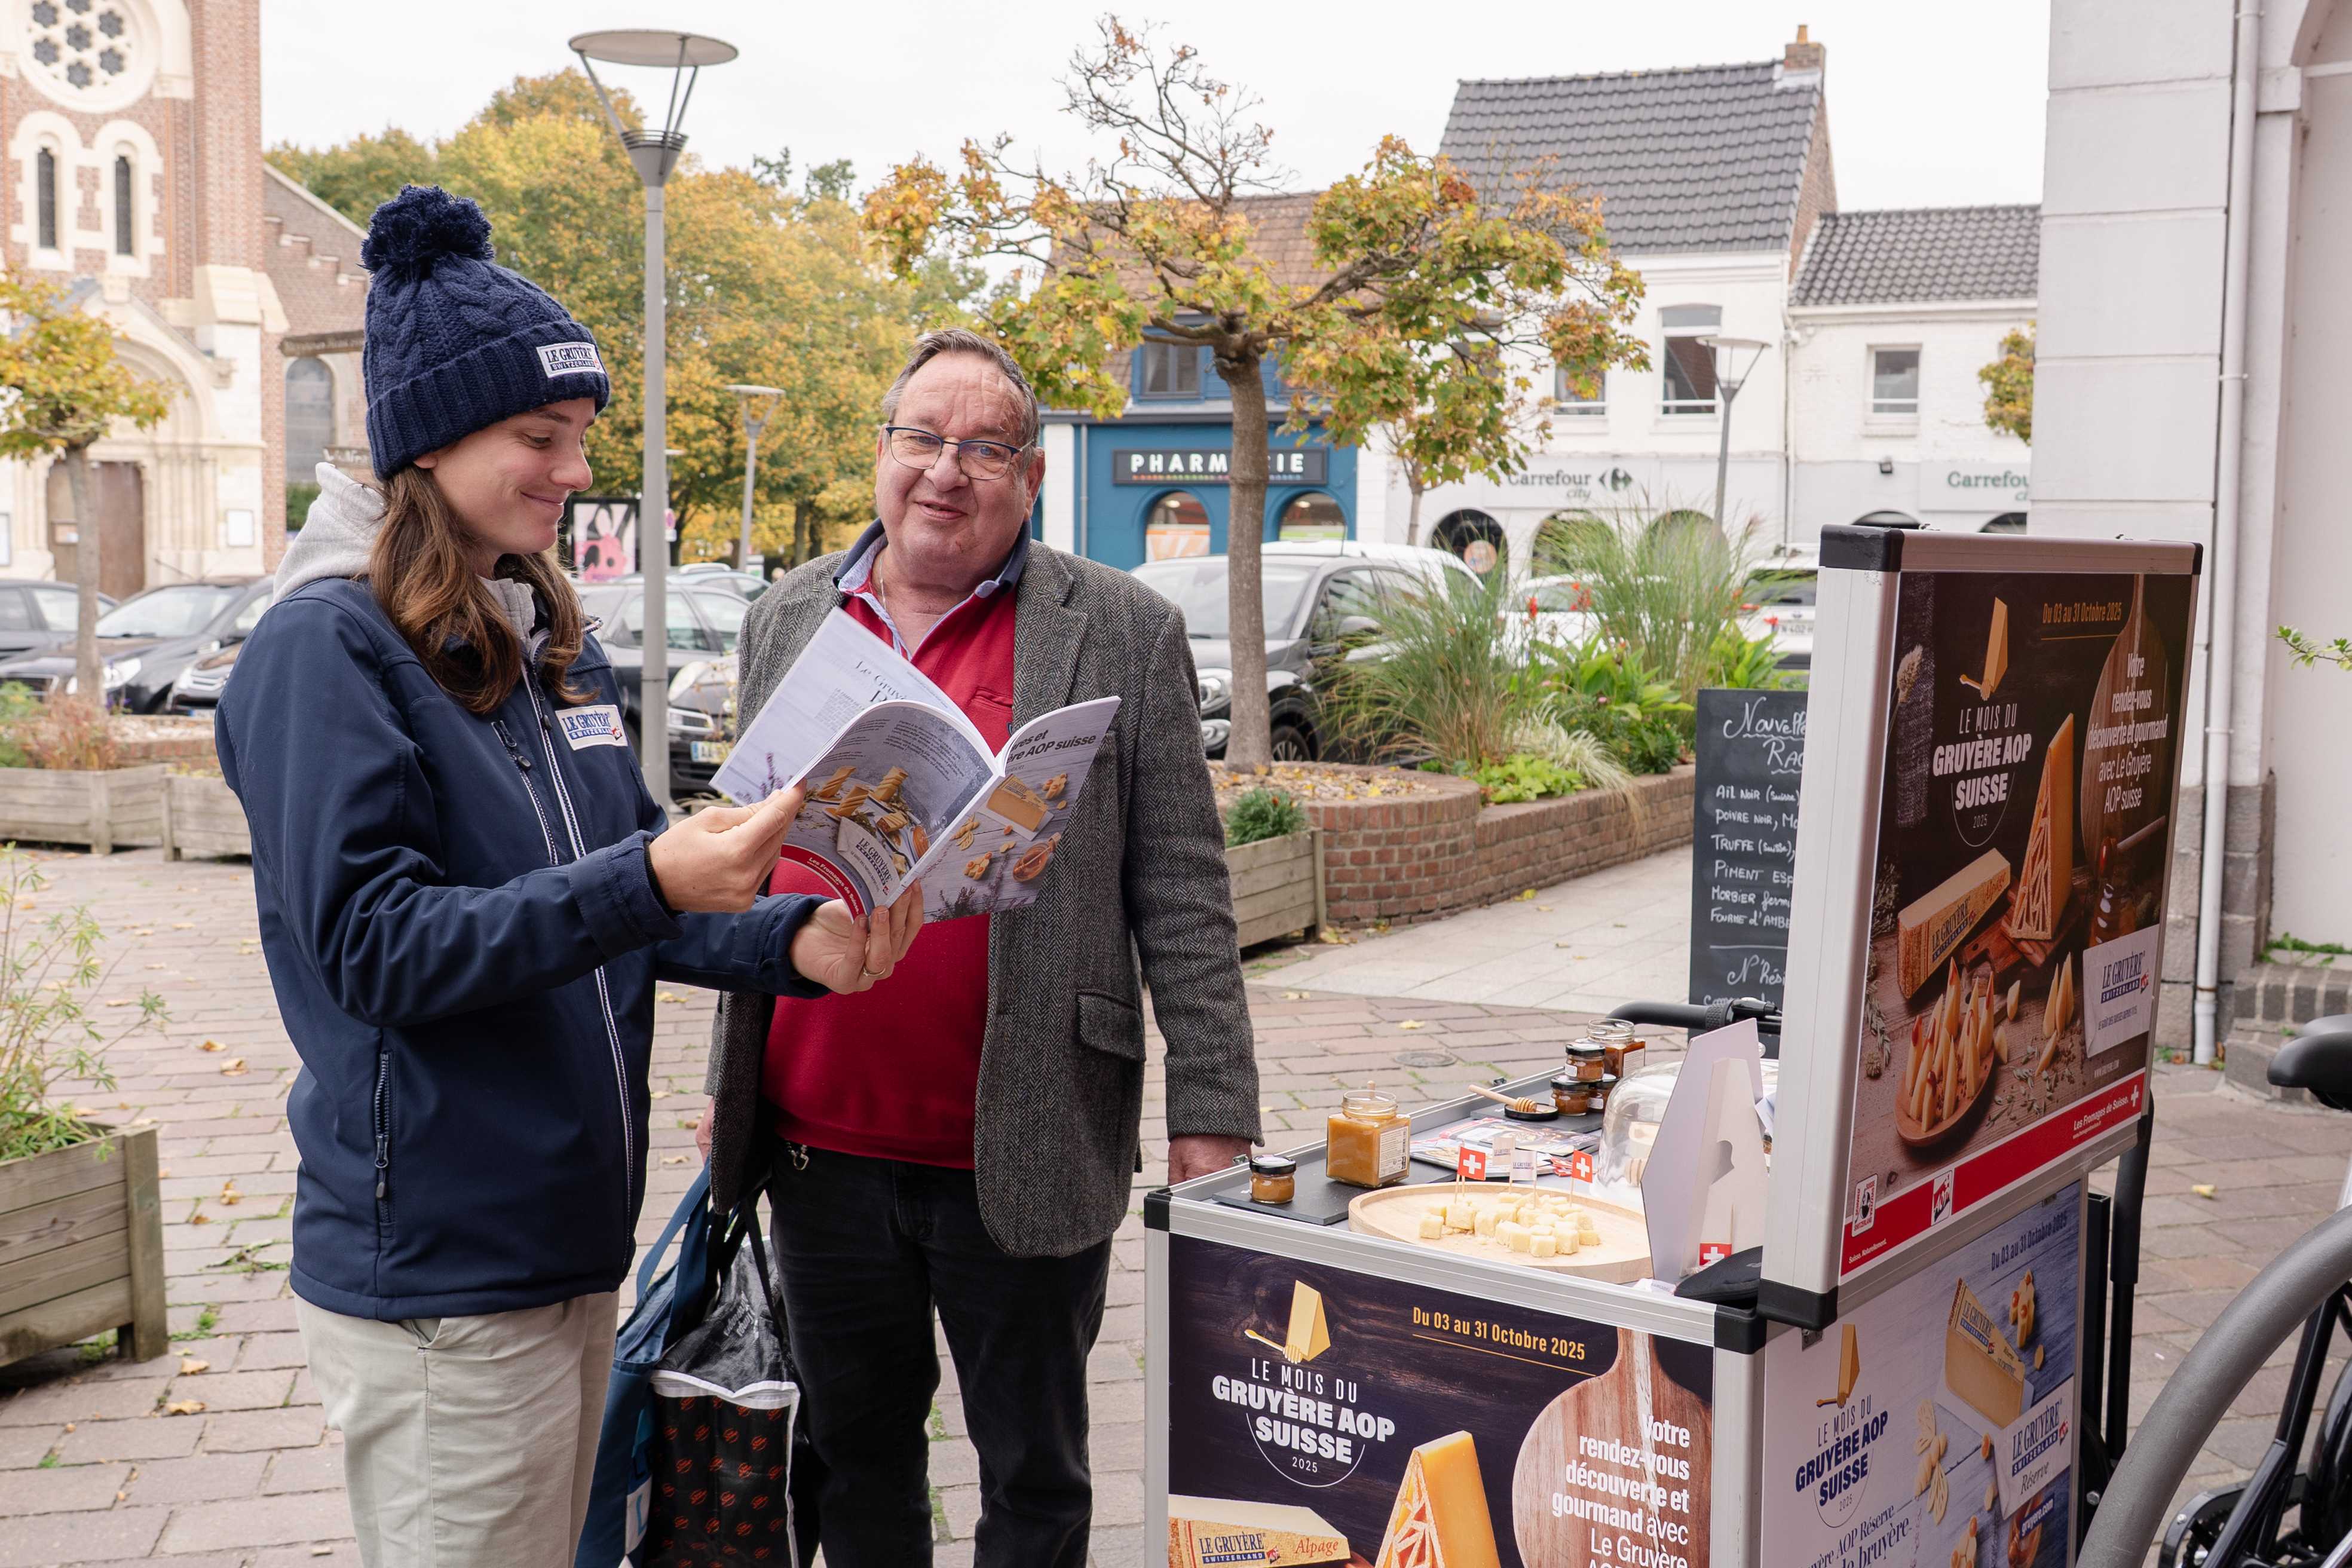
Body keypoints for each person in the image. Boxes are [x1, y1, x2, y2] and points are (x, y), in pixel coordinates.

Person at [217, 185, 921, 1568]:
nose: (574, 472)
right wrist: (649, 880)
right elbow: (376, 947)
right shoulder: (327, 650)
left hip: (561, 1243)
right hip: (443, 1270)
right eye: (541, 438)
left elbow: (634, 884)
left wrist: (796, 944)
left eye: (581, 438)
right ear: (430, 441)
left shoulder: (531, 624)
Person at [699, 328, 1261, 1566]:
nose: (945, 471)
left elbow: (1182, 882)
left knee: (1037, 1478)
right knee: (851, 1465)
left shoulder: (1119, 625)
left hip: (1027, 1132)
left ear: (1032, 476)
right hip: (817, 1145)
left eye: (984, 448)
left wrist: (1214, 1107)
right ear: (881, 454)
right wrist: (718, 1087)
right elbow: (745, 861)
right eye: (921, 440)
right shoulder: (786, 616)